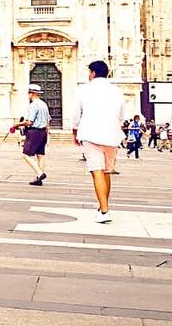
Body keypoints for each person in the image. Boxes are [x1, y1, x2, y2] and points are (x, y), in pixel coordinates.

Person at [71, 60, 125, 224]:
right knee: (107, 171)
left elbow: (75, 115)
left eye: (89, 72)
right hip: (112, 135)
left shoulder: (83, 90)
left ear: (93, 73)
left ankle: (104, 210)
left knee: (97, 171)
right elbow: (122, 115)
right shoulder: (117, 90)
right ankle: (103, 206)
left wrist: (75, 131)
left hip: (91, 133)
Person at [16, 84, 49, 185]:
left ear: (33, 93)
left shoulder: (33, 105)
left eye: (29, 93)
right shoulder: (44, 104)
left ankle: (40, 173)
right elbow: (48, 121)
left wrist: (16, 124)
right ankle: (38, 180)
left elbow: (29, 122)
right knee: (41, 155)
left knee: (25, 154)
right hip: (43, 131)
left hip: (34, 131)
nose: (28, 95)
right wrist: (47, 134)